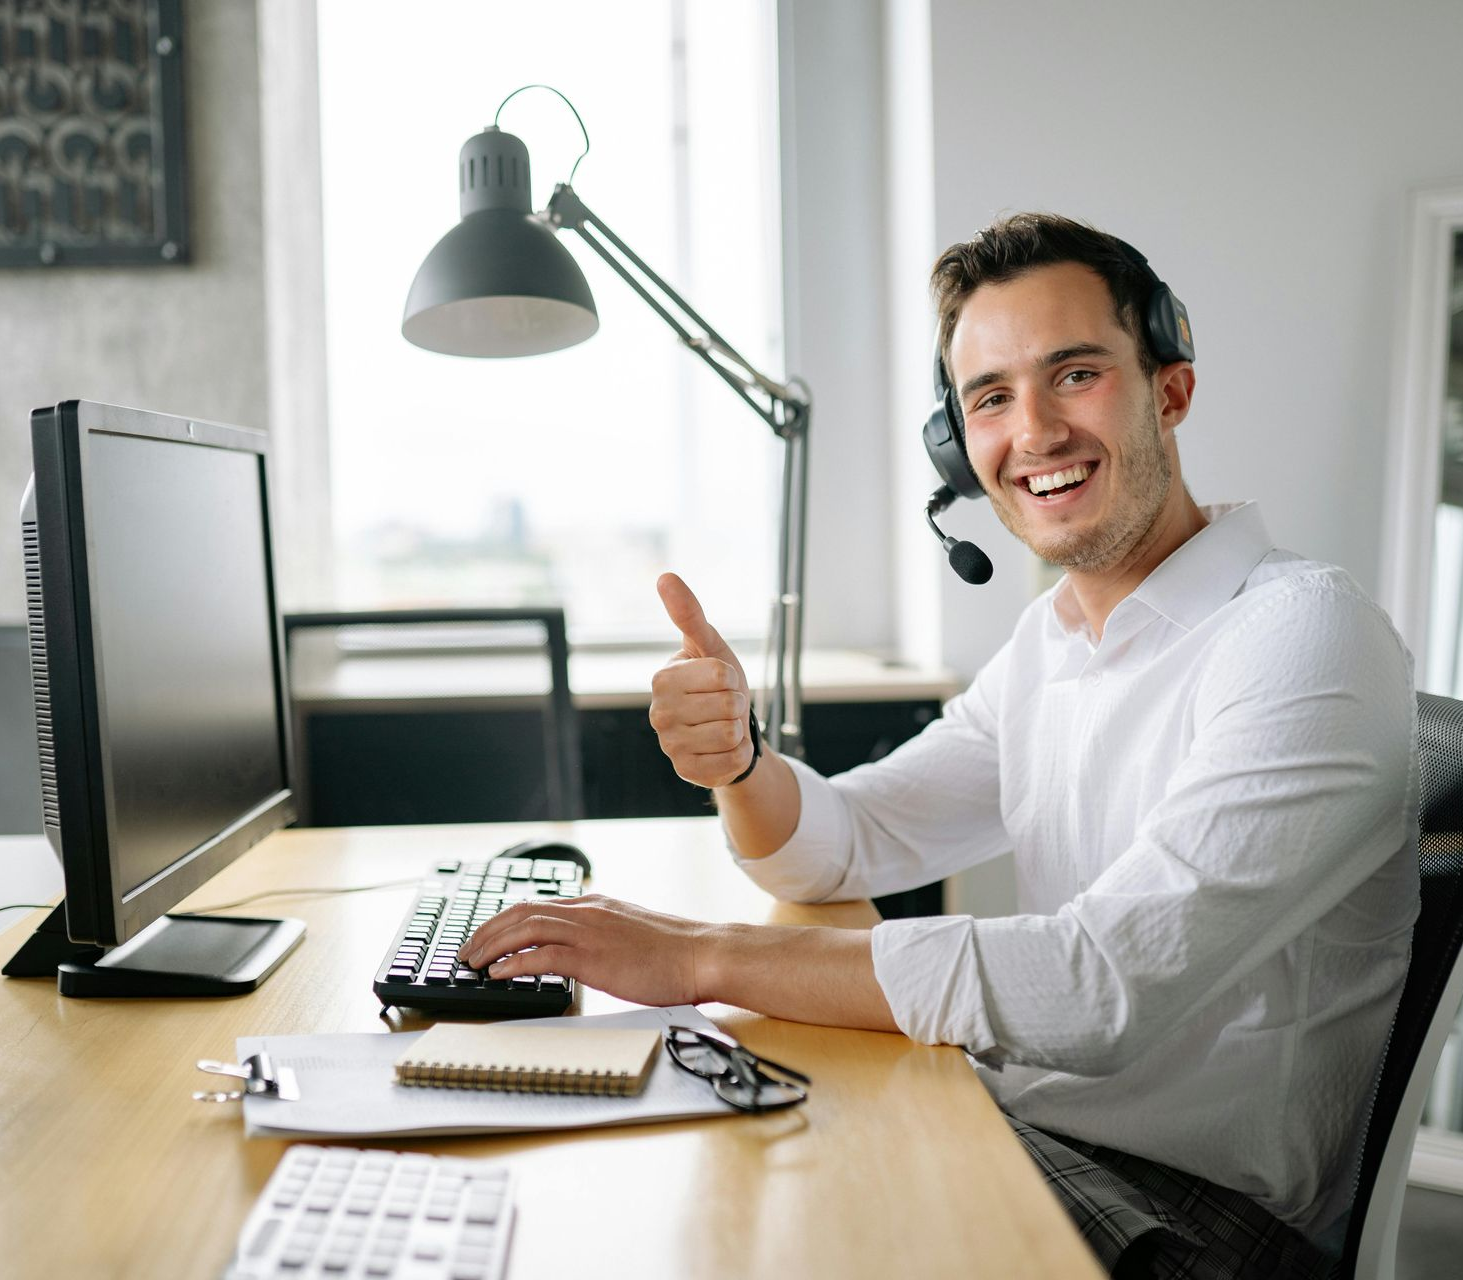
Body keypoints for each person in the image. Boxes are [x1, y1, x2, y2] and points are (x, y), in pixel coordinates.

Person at [459, 213, 1418, 1278]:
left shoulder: (1299, 636)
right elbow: (845, 840)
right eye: (990, 398)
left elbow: (1096, 988)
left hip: (1197, 1220)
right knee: (690, 1174)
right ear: (957, 445)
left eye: (1075, 374)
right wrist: (738, 759)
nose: (1035, 431)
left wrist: (693, 956)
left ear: (1169, 388)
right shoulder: (1053, 642)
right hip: (1035, 1125)